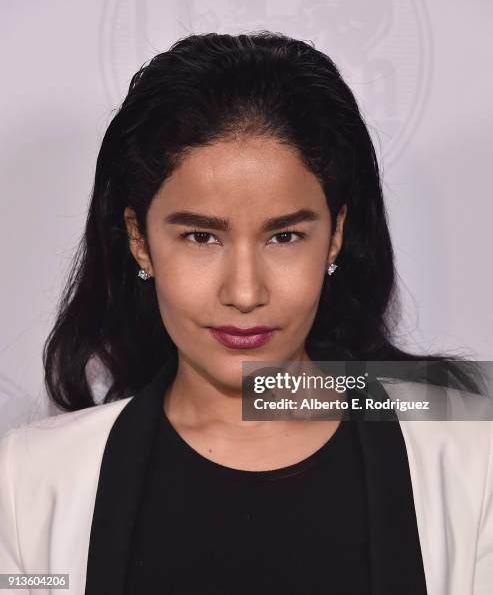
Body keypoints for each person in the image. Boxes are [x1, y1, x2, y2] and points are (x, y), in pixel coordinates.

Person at [0, 31, 491, 595]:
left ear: (334, 239)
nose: (244, 291)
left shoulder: (474, 463)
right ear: (140, 241)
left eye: (284, 236)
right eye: (200, 237)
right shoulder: (29, 482)